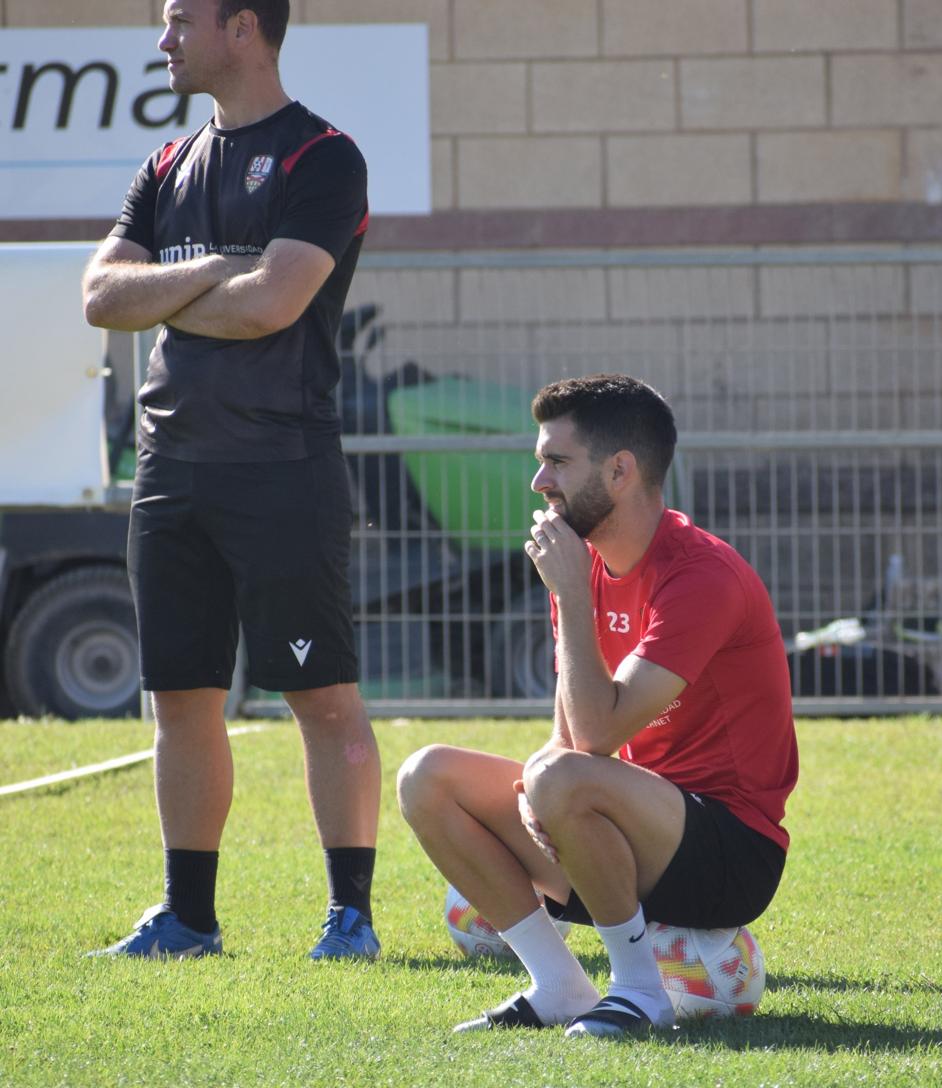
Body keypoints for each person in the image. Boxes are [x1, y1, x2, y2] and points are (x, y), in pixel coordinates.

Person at [82, 0, 381, 961]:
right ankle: (189, 918)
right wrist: (216, 267)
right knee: (179, 698)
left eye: (179, 20)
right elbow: (101, 297)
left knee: (322, 697)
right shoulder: (166, 164)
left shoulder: (323, 158)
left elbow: (272, 306)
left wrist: (168, 294)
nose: (162, 41)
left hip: (282, 470)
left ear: (242, 27)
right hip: (170, 473)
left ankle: (350, 917)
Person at [398, 374, 798, 1038]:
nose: (539, 483)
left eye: (557, 461)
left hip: (728, 855)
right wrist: (540, 792)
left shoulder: (702, 575)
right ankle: (558, 987)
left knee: (561, 776)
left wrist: (572, 603)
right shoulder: (579, 566)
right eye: (540, 462)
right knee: (427, 777)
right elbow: (569, 738)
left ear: (619, 471)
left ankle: (639, 990)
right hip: (613, 831)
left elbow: (596, 734)